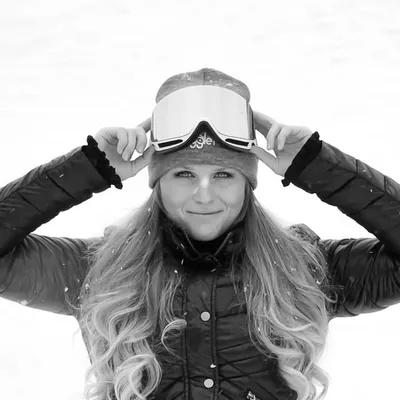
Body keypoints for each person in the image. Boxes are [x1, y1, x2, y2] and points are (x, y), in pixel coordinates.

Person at [0, 67, 399, 400]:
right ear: (157, 182)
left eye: (223, 174)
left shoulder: (304, 266)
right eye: (184, 174)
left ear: (247, 183)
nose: (204, 195)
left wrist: (317, 166)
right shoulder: (101, 270)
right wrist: (89, 167)